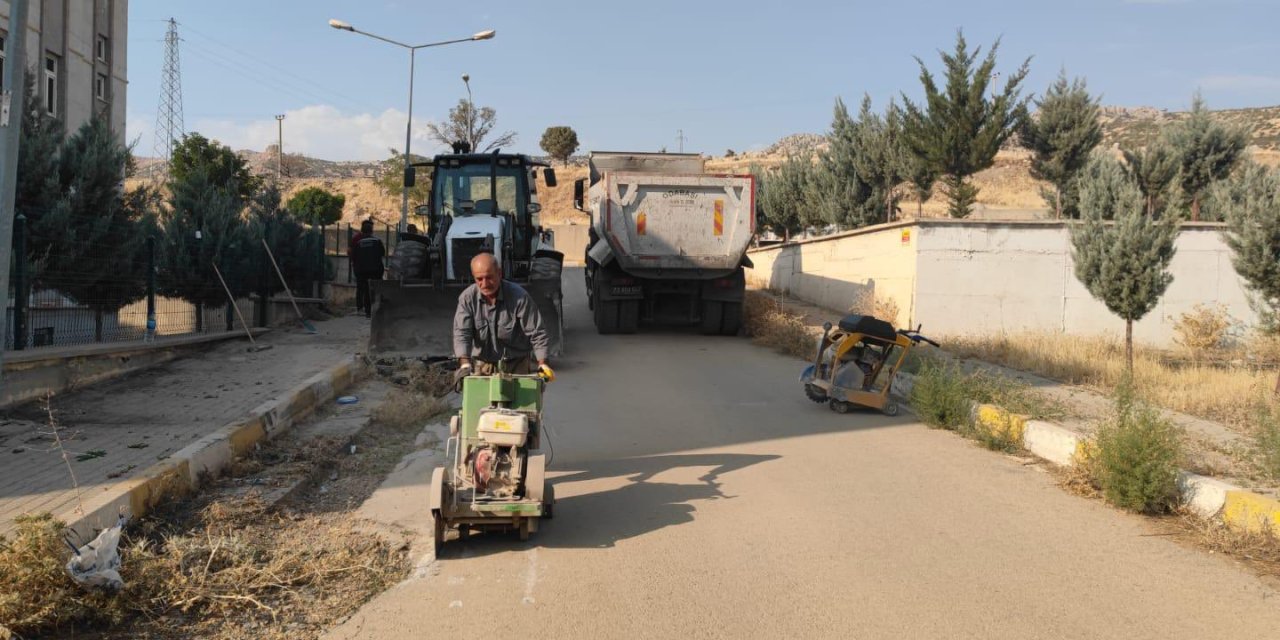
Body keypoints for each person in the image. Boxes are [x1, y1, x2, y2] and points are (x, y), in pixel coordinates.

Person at [453, 252, 554, 380]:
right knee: (478, 399)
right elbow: (462, 334)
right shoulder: (467, 299)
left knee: (524, 399)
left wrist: (543, 364)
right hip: (482, 365)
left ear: (499, 273)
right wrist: (464, 364)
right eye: (479, 279)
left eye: (489, 277)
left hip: (516, 364)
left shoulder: (519, 297)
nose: (485, 284)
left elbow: (537, 333)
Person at [349, 220, 385, 317]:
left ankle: (366, 311)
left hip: (361, 270)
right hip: (375, 270)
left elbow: (353, 255)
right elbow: (382, 253)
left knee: (363, 288)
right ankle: (378, 309)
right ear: (372, 231)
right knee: (375, 288)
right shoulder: (377, 241)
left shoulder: (358, 242)